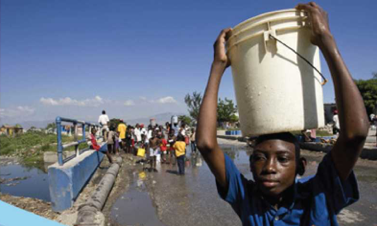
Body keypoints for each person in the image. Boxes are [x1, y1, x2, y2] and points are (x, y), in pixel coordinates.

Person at [195, 2, 368, 226]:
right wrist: (218, 66)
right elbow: (206, 144)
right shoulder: (247, 197)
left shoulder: (319, 194)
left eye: (283, 159)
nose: (269, 168)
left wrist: (326, 41)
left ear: (302, 166)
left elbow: (355, 135)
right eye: (259, 158)